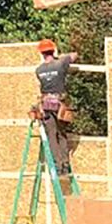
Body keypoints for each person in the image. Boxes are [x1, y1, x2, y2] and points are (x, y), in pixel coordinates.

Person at [34, 39, 79, 175]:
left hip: (46, 104)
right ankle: (65, 164)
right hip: (59, 103)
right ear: (53, 51)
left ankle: (57, 166)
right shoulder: (60, 63)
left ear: (42, 53)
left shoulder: (39, 70)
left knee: (52, 136)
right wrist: (60, 57)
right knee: (62, 134)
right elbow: (75, 55)